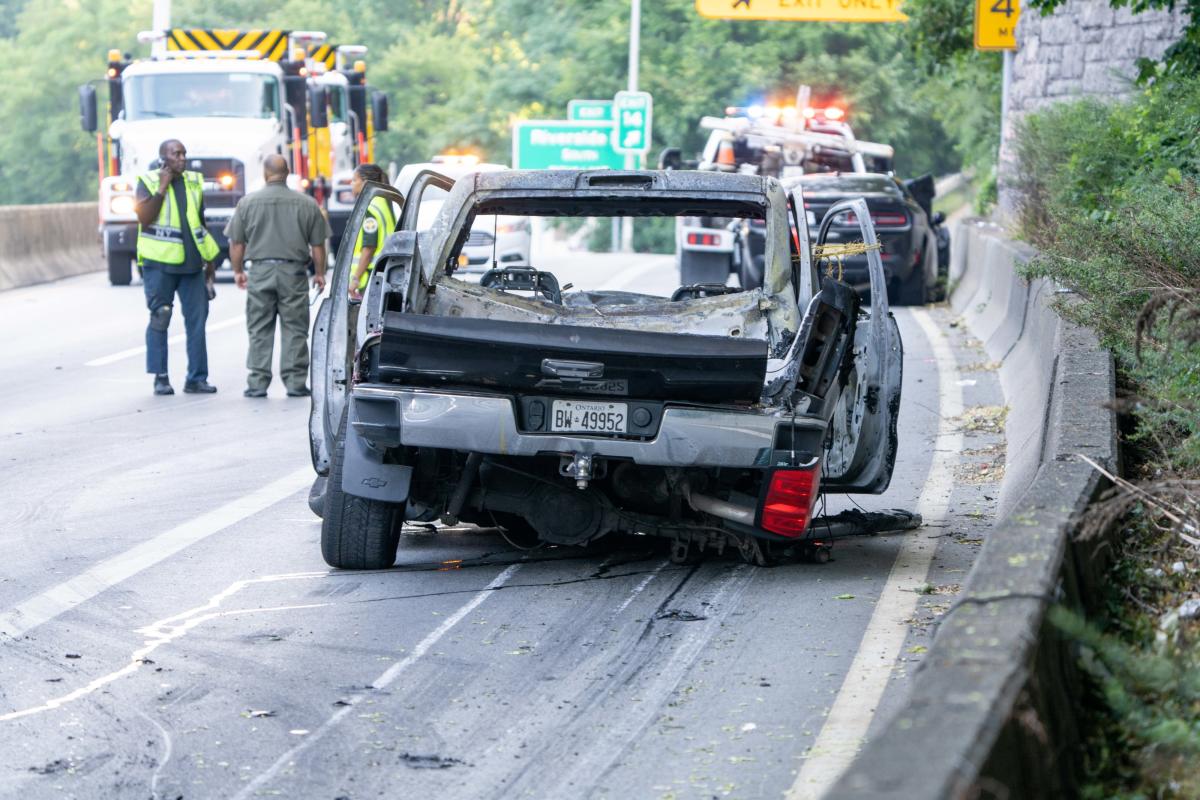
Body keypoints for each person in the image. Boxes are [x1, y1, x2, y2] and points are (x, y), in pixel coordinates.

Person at [225, 154, 329, 398]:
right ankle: (295, 382)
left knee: (259, 327)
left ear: (265, 173)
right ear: (288, 172)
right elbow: (318, 245)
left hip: (260, 271)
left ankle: (258, 383)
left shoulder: (247, 203)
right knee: (295, 327)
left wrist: (238, 271)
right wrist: (320, 273)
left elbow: (237, 243)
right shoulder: (307, 203)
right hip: (293, 273)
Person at [134, 139, 219, 396]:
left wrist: (210, 264)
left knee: (197, 322)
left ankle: (196, 378)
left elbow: (201, 223)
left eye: (183, 154)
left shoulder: (194, 181)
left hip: (192, 265)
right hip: (159, 264)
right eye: (176, 154)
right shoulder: (148, 181)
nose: (182, 158)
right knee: (161, 317)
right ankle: (161, 377)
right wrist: (162, 187)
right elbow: (144, 217)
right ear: (164, 158)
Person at [347, 163, 396, 299]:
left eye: (354, 180)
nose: (351, 184)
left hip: (370, 277)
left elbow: (369, 248)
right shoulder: (383, 203)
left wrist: (355, 279)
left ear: (365, 182)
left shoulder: (370, 209)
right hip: (384, 273)